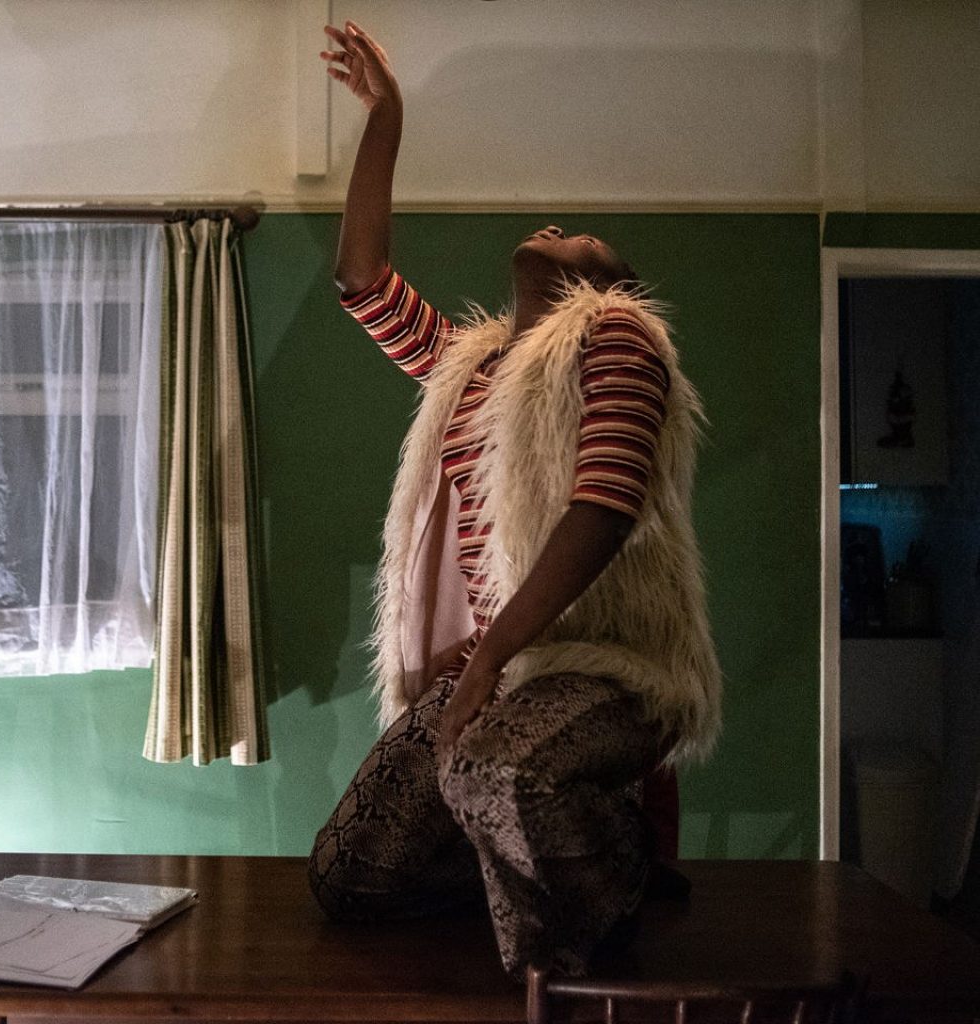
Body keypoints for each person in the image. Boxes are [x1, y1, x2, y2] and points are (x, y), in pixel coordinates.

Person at [307, 21, 722, 975]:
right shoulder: (472, 367)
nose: (553, 224)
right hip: (504, 666)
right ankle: (531, 846)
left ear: (607, 283)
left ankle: (608, 881)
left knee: (497, 766)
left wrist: (486, 660)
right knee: (350, 875)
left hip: (608, 664)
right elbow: (360, 280)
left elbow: (604, 506)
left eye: (577, 234)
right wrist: (387, 116)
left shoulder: (614, 336)